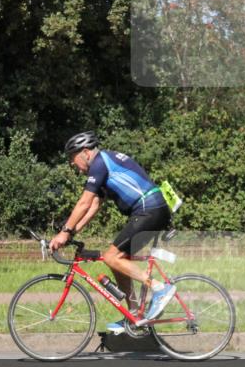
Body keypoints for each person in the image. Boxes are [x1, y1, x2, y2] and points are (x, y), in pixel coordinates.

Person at [49, 131, 175, 334]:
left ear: (85, 153)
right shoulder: (103, 164)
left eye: (72, 158)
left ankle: (160, 288)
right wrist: (72, 232)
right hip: (150, 210)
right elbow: (93, 206)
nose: (72, 164)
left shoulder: (99, 163)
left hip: (148, 209)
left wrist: (64, 232)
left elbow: (84, 202)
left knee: (111, 256)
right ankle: (135, 315)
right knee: (119, 261)